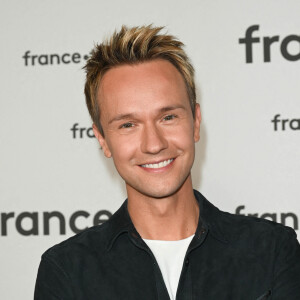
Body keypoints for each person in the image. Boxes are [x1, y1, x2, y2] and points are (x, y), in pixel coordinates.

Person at [34, 25, 300, 300]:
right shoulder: (67, 270)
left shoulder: (271, 251)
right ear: (102, 139)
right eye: (128, 124)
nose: (154, 144)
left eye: (168, 117)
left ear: (196, 122)